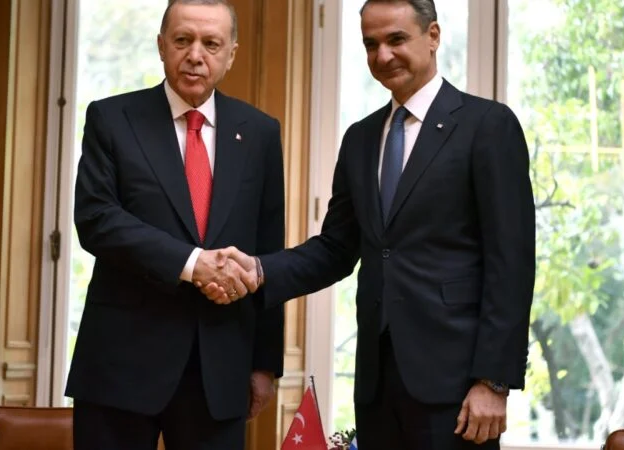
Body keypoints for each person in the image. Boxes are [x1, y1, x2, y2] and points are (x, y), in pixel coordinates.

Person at [203, 0, 536, 448]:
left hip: (457, 387)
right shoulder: (360, 138)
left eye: (396, 39)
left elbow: (511, 263)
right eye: (370, 44)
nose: (383, 55)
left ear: (433, 36)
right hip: (377, 384)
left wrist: (493, 381)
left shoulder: (488, 126)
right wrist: (259, 270)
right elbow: (336, 249)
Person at [64, 0, 285, 449]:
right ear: (161, 46)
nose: (195, 55)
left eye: (211, 44)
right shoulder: (112, 119)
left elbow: (268, 249)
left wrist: (264, 363)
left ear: (231, 54)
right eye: (183, 40)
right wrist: (192, 263)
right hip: (121, 366)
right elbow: (97, 219)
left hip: (219, 368)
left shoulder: (260, 133)